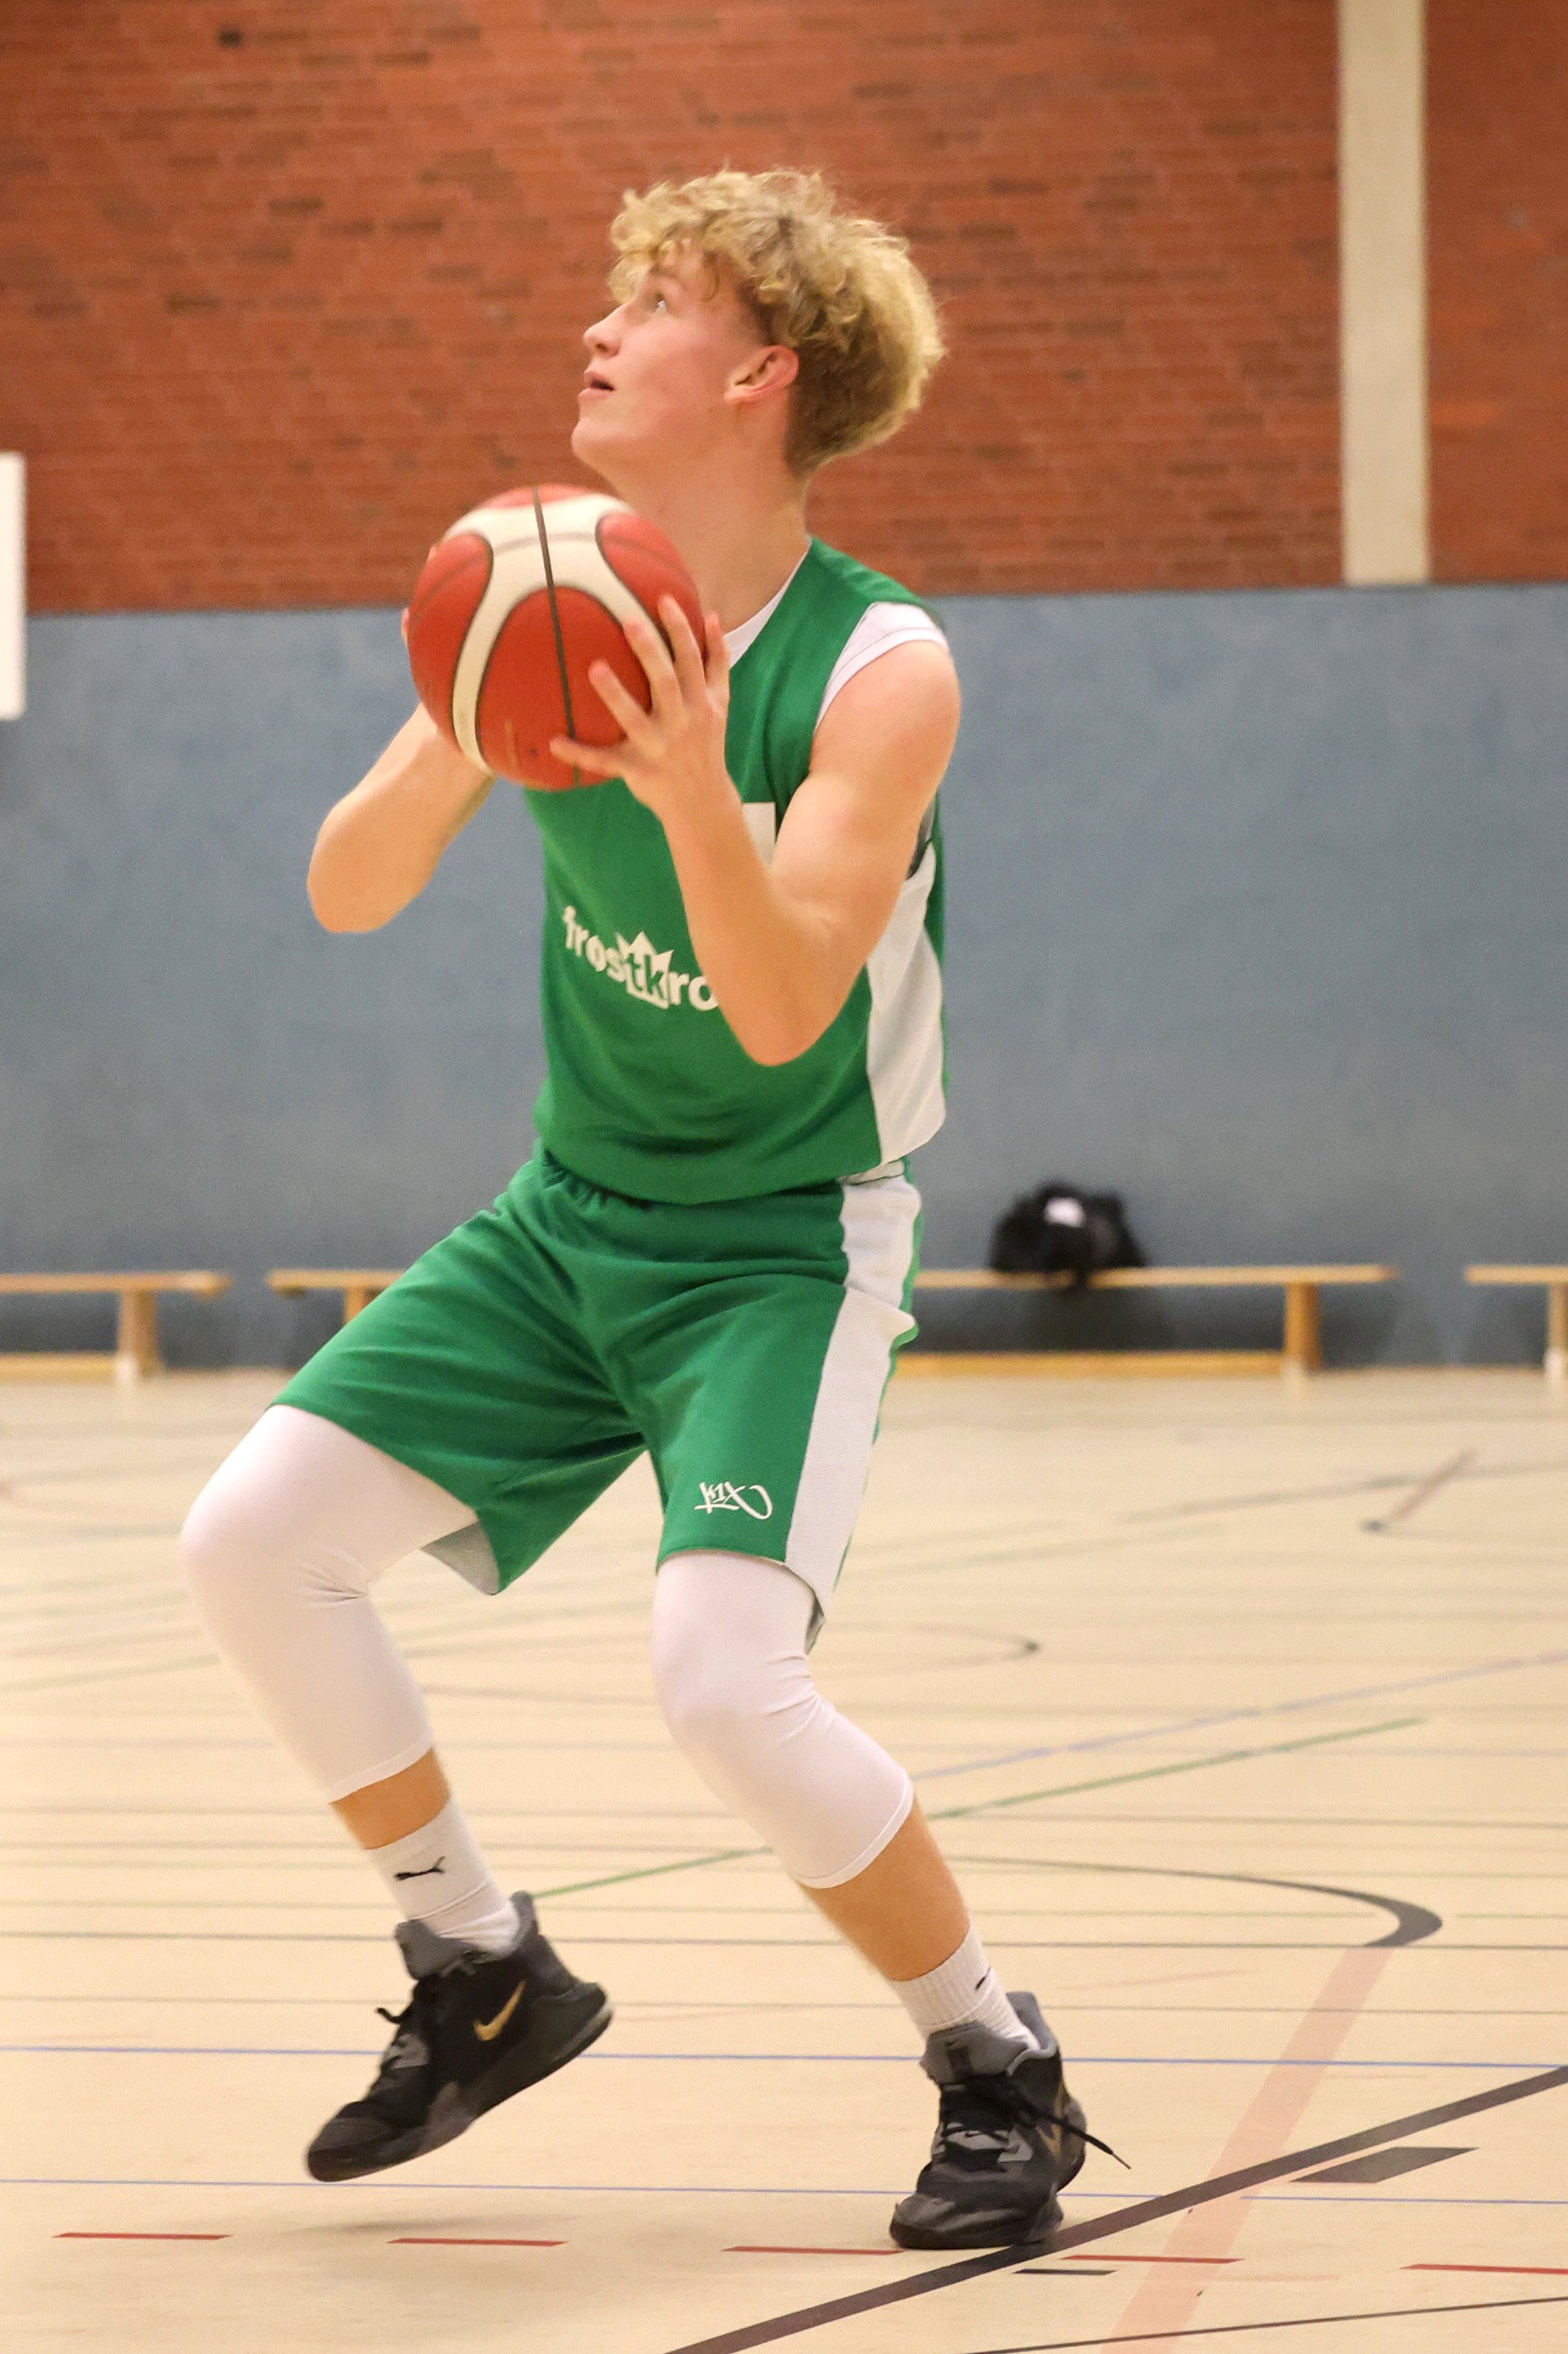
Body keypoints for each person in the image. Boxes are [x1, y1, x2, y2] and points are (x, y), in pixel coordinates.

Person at [177, 170, 1103, 2251]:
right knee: (251, 1541)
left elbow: (782, 1016)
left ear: (764, 374)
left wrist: (686, 782)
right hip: (570, 1212)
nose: (599, 329)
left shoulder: (877, 665)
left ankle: (995, 2059)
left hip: (781, 1238)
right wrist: (463, 723)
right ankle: (479, 1961)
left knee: (721, 1682)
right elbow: (345, 887)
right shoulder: (541, 584)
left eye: (653, 300)